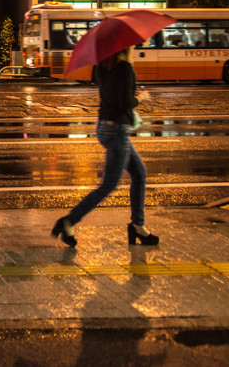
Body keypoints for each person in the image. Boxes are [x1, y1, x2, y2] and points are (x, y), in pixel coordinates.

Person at [51, 46, 158, 248]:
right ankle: (69, 221)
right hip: (117, 130)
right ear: (126, 47)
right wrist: (141, 98)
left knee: (139, 173)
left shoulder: (101, 66)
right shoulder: (124, 67)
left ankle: (138, 225)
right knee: (108, 185)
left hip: (105, 126)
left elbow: (110, 95)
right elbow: (124, 102)